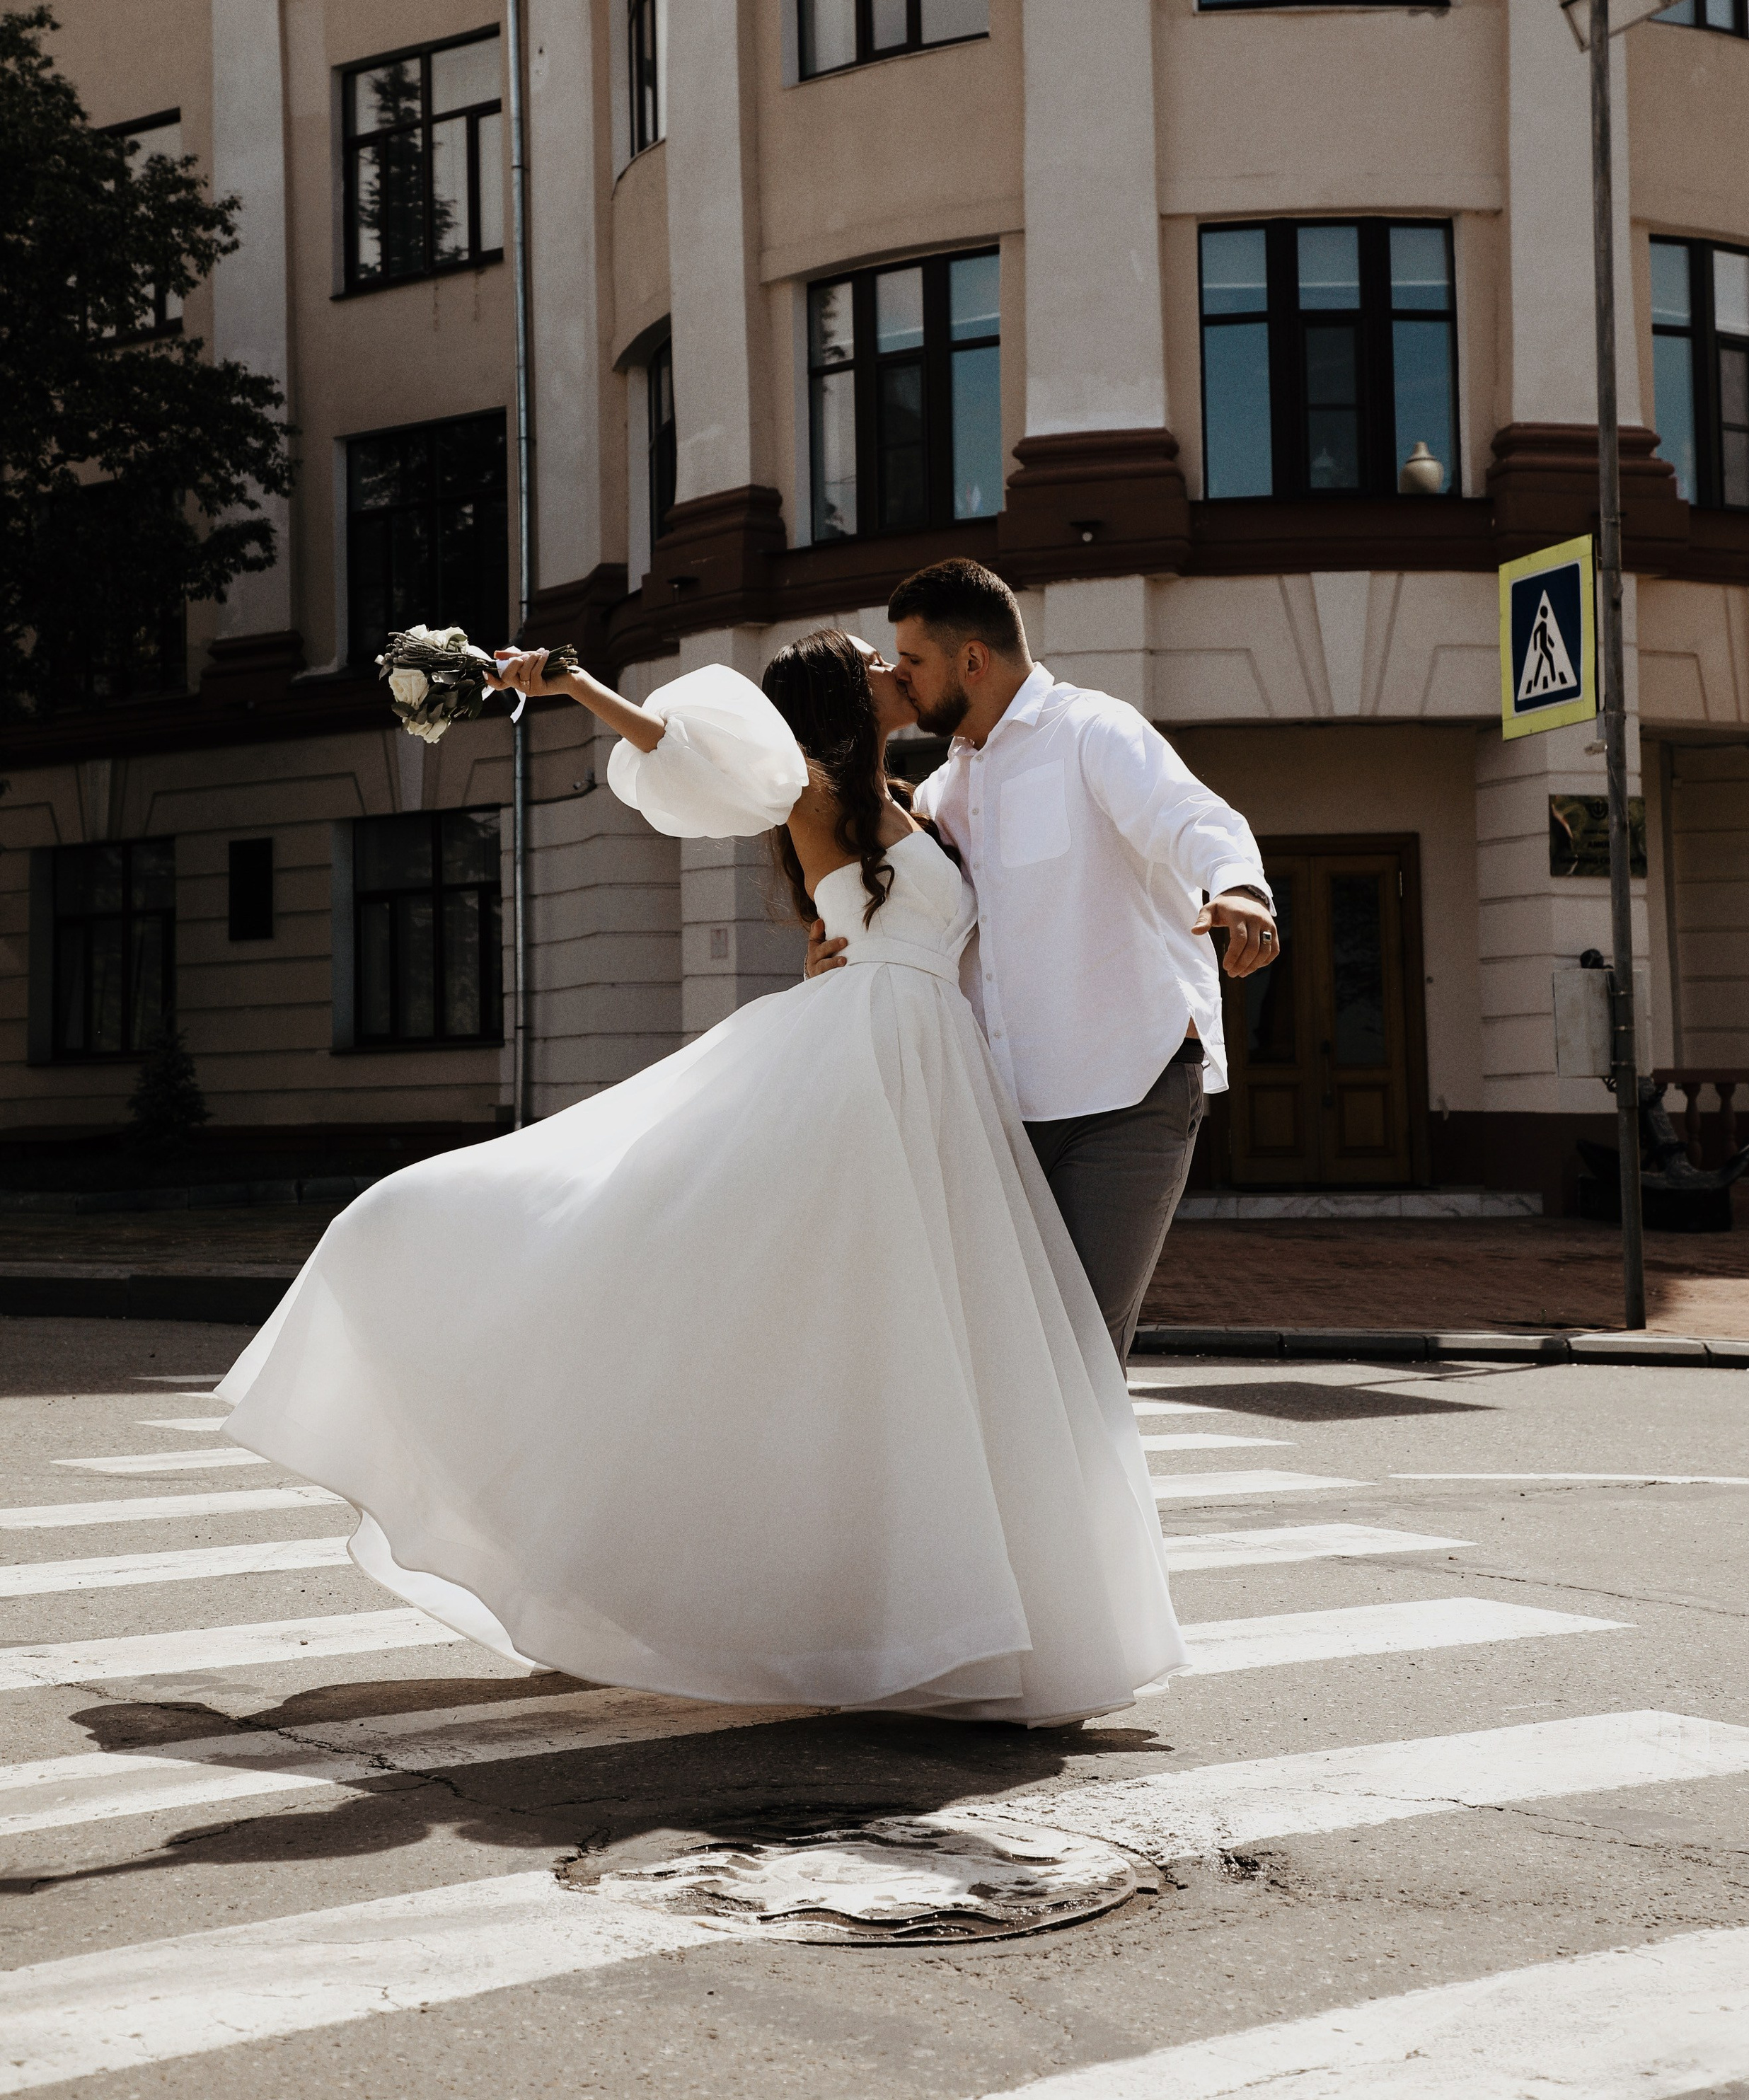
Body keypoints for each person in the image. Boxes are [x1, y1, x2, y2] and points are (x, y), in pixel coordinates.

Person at [214, 630, 1184, 1727]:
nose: (890, 665)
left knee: (913, 1355)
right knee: (797, 1320)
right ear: (836, 691)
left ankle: (913, 1610)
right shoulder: (804, 788)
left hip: (934, 1072)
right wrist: (576, 683)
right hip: (865, 1067)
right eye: (873, 656)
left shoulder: (912, 796)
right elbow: (681, 746)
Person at [809, 560, 1276, 1362]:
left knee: (1082, 1349)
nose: (900, 679)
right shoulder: (942, 790)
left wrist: (1241, 889)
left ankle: (1089, 1493)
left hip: (1126, 1095)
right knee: (1008, 1351)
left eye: (912, 662)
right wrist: (840, 953)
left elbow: (1195, 817)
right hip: (997, 1110)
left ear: (972, 662)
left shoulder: (1093, 731)